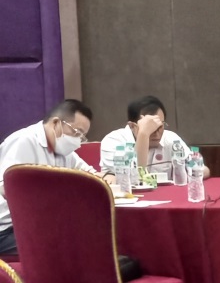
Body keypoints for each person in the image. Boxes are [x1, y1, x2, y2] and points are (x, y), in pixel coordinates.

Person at [0, 99, 110, 255]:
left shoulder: (63, 150)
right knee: (67, 245)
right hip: (6, 229)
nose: (78, 141)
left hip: (35, 224)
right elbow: (8, 190)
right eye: (76, 133)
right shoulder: (23, 141)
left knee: (89, 234)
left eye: (82, 136)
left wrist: (108, 177)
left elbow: (92, 176)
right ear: (56, 123)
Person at [100, 95, 209, 179]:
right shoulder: (113, 141)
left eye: (160, 126)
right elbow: (135, 178)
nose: (156, 133)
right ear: (132, 126)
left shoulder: (171, 139)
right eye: (150, 128)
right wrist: (143, 134)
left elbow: (201, 169)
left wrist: (196, 171)